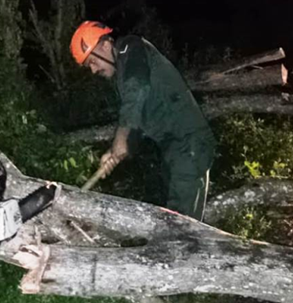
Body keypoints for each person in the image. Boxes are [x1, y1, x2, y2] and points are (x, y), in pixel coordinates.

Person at [70, 21, 216, 220]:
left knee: (180, 224)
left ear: (105, 45)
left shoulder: (131, 47)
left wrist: (121, 137)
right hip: (175, 149)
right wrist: (116, 153)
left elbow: (137, 87)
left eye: (92, 62)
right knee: (179, 221)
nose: (93, 70)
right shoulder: (123, 75)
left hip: (189, 143)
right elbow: (137, 125)